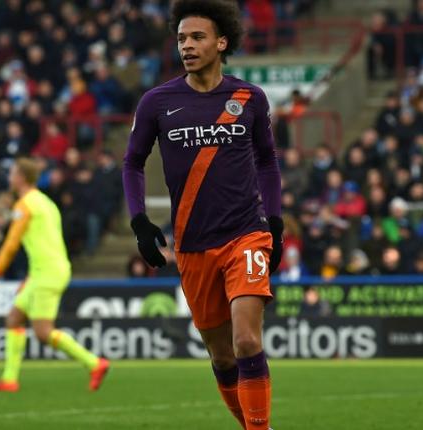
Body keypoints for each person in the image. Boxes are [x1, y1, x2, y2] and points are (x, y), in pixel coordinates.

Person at [122, 1, 282, 429]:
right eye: (181, 39)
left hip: (246, 234)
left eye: (197, 37)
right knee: (222, 355)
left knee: (247, 340)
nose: (187, 46)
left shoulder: (249, 97)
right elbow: (132, 164)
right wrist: (139, 220)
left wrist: (276, 222)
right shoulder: (157, 102)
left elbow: (267, 162)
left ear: (221, 42)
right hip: (192, 244)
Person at [0, 157, 110, 393]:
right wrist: (31, 276)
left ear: (21, 177)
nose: (10, 177)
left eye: (13, 173)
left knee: (43, 332)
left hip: (46, 273)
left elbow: (10, 245)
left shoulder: (24, 206)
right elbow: (48, 242)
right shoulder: (47, 203)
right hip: (45, 271)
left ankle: (95, 363)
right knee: (14, 318)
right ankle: (9, 379)